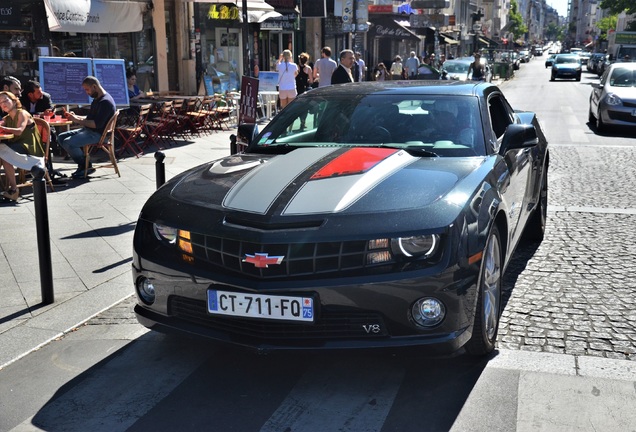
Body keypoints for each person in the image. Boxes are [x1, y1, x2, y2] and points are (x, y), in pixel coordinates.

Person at [58, 76, 116, 179]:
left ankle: (86, 165)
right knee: (61, 137)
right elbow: (90, 118)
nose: (86, 92)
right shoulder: (98, 99)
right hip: (89, 131)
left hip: (98, 134)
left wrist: (76, 120)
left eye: (87, 89)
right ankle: (84, 164)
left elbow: (95, 124)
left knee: (68, 142)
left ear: (94, 86)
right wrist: (75, 116)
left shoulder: (105, 102)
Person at [0, 91, 45, 201]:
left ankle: (13, 190)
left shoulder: (22, 113)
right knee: (3, 155)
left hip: (30, 149)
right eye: (0, 102)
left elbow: (19, 131)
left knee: (2, 152)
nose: (3, 104)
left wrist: (4, 128)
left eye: (6, 100)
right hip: (16, 147)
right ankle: (13, 190)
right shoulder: (6, 118)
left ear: (14, 101)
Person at [295, 52, 313, 129]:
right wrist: (308, 80)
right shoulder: (308, 69)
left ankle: (299, 119)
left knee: (297, 106)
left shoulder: (296, 67)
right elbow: (311, 80)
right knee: (305, 106)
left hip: (297, 88)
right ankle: (303, 122)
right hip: (304, 88)